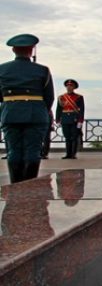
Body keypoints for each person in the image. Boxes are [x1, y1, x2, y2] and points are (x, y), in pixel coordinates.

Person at [0, 34, 54, 183]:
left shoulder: (2, 69)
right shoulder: (43, 70)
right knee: (33, 151)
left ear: (13, 50)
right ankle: (29, 185)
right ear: (31, 50)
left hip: (10, 112)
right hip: (36, 113)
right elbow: (49, 96)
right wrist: (42, 110)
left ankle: (15, 185)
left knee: (13, 151)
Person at [56, 79, 85, 159]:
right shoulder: (61, 97)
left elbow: (81, 109)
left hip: (74, 118)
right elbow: (58, 109)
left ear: (74, 87)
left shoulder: (79, 97)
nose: (69, 87)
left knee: (74, 137)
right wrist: (57, 119)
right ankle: (68, 154)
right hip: (65, 118)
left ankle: (73, 154)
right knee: (67, 137)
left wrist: (80, 121)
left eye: (71, 86)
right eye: (68, 86)